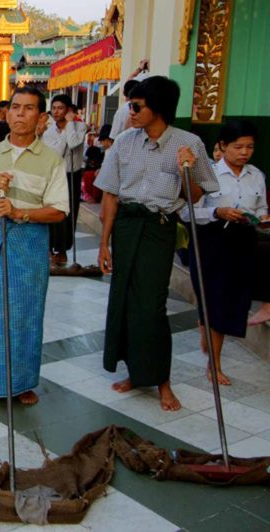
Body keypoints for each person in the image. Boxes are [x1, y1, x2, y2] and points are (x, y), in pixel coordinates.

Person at [95, 76, 220, 411]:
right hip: (126, 226)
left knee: (151, 306)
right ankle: (136, 373)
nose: (130, 112)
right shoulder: (123, 142)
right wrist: (104, 243)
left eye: (137, 106)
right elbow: (109, 195)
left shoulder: (189, 144)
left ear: (158, 109)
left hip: (159, 227)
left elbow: (193, 196)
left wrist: (186, 170)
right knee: (124, 300)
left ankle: (162, 380)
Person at [0, 86, 68, 406]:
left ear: (41, 116)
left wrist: (21, 213)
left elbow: (60, 210)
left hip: (32, 242)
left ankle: (22, 383)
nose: (20, 114)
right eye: (15, 108)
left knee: (25, 312)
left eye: (29, 109)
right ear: (6, 113)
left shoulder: (50, 160)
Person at [181, 120, 267, 384]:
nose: (244, 152)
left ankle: (210, 332)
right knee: (215, 300)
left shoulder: (257, 175)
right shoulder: (208, 174)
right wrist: (217, 211)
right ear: (222, 146)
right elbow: (187, 212)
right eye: (238, 146)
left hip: (242, 241)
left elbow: (261, 206)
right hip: (212, 242)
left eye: (249, 147)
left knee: (231, 301)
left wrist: (261, 217)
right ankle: (214, 365)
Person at [42, 94, 88, 265]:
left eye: (60, 108)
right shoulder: (48, 132)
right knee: (53, 211)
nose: (56, 111)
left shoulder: (80, 127)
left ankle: (63, 250)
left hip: (72, 175)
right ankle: (50, 247)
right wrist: (65, 132)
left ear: (68, 110)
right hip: (55, 175)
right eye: (54, 108)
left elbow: (74, 143)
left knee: (69, 214)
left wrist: (69, 125)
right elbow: (56, 153)